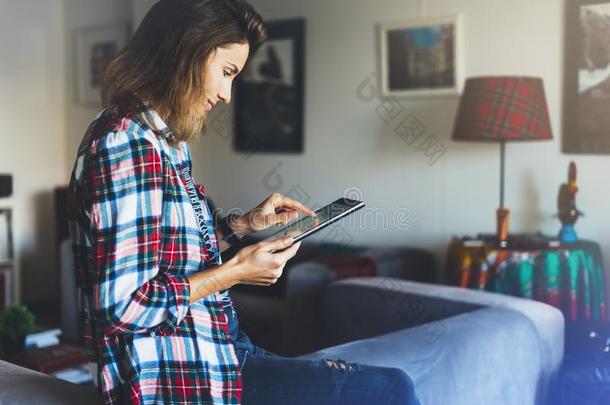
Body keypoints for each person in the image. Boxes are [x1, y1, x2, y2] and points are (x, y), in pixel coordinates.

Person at [67, 0, 420, 404]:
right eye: (226, 72)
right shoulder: (124, 145)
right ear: (187, 50)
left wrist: (244, 225)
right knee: (393, 389)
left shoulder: (165, 142)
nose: (226, 95)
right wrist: (233, 273)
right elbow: (121, 307)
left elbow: (171, 257)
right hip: (180, 378)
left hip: (221, 348)